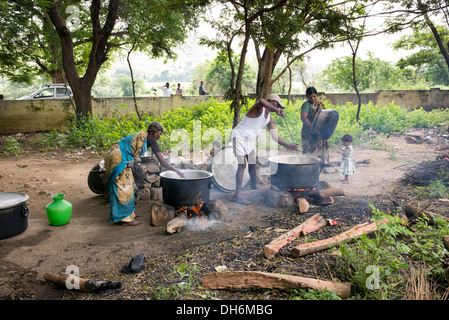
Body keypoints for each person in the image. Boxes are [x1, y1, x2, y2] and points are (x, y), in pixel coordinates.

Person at [104, 122, 184, 226]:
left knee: (130, 185)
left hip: (117, 154)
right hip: (118, 157)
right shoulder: (150, 139)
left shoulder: (146, 136)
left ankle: (129, 214)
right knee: (123, 188)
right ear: (154, 132)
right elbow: (163, 162)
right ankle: (123, 219)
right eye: (159, 134)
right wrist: (178, 171)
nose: (160, 136)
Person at [231, 94, 299, 204]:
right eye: (277, 104)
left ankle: (253, 188)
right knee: (242, 165)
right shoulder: (259, 109)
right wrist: (277, 110)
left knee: (252, 164)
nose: (278, 108)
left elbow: (274, 136)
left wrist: (288, 145)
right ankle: (237, 195)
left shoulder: (269, 118)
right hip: (239, 136)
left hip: (249, 140)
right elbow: (261, 100)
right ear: (272, 102)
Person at [300, 87, 329, 168]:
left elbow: (325, 116)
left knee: (319, 150)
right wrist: (313, 127)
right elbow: (304, 118)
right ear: (307, 96)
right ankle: (306, 167)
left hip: (319, 132)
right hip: (308, 133)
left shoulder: (320, 104)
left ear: (317, 95)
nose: (313, 99)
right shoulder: (306, 105)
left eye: (314, 96)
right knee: (308, 151)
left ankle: (319, 167)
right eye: (310, 97)